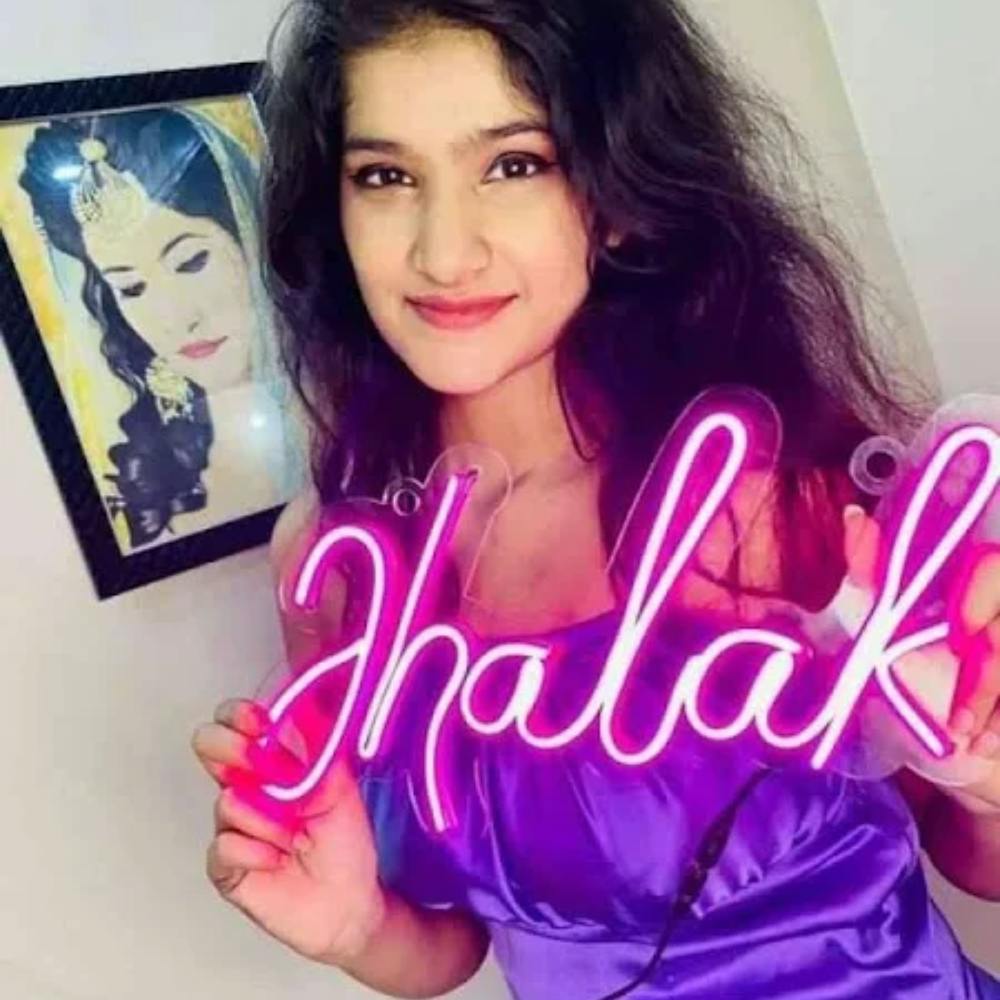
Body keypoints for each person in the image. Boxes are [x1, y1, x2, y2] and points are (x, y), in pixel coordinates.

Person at [190, 1, 1000, 997]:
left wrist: (987, 787)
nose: (444, 251)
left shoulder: (761, 501)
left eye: (513, 164)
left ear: (616, 194)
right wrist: (357, 926)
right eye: (386, 176)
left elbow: (974, 857)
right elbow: (458, 943)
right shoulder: (339, 567)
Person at [19, 106, 306, 549]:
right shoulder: (164, 472)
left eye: (191, 262)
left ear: (252, 236)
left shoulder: (364, 421)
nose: (174, 319)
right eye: (131, 288)